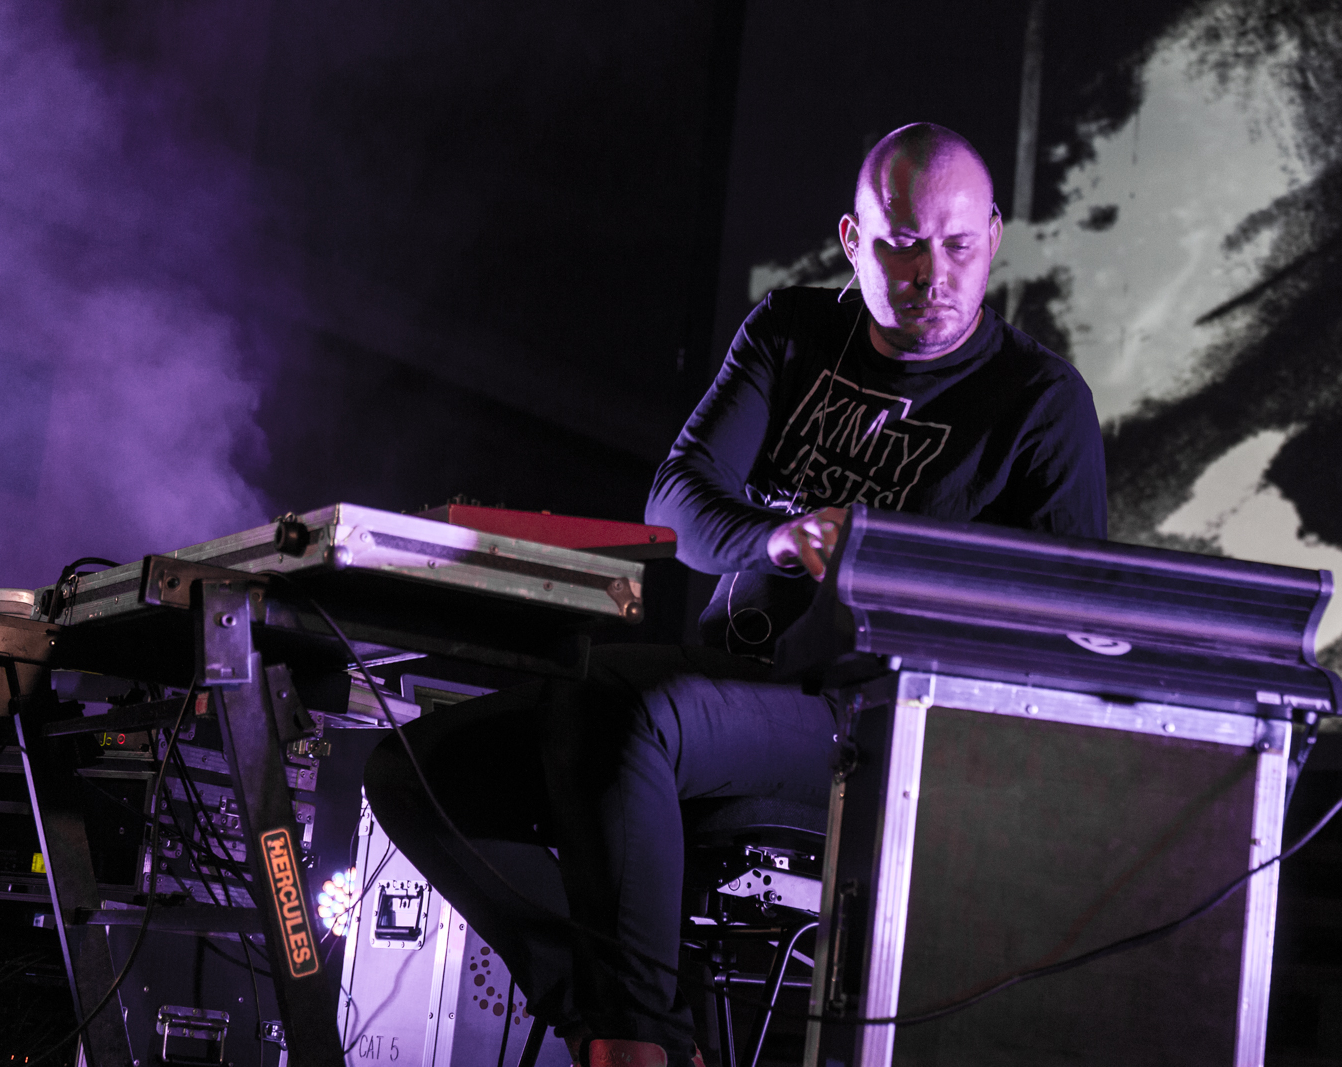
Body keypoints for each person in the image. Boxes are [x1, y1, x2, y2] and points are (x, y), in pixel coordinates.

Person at [364, 122, 1106, 1067]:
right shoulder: (792, 331)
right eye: (905, 243)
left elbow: (1068, 637)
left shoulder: (1041, 403)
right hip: (729, 680)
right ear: (851, 241)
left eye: (959, 245)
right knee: (413, 769)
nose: (934, 272)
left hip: (869, 725)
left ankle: (632, 1038)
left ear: (995, 236)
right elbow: (675, 499)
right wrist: (777, 536)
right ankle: (630, 1017)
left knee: (632, 711)